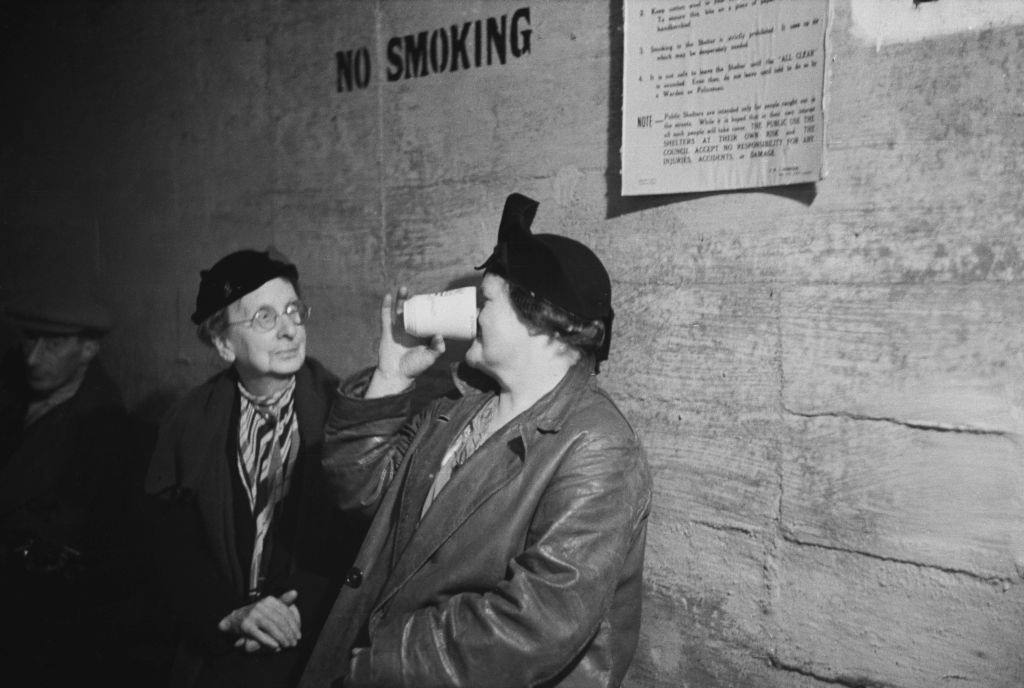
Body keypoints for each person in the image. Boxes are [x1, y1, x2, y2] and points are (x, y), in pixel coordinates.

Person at [299, 193, 653, 688]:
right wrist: (389, 379)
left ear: (543, 322)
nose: (473, 317)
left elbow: (534, 625)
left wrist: (380, 662)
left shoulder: (598, 449)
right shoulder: (461, 405)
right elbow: (360, 496)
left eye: (486, 302)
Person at [144, 248, 363, 688]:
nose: (289, 330)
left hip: (313, 637)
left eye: (293, 311)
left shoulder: (344, 413)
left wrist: (290, 614)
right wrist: (231, 615)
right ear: (224, 344)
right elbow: (172, 548)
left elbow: (355, 544)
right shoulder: (188, 423)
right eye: (265, 317)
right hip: (222, 641)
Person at [0, 287, 138, 683]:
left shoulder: (103, 429)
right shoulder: (12, 388)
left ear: (88, 349)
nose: (33, 357)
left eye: (54, 344)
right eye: (30, 339)